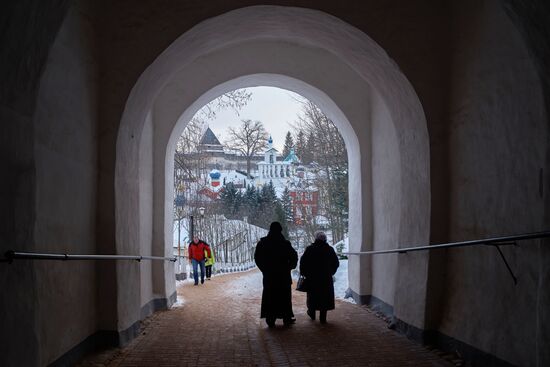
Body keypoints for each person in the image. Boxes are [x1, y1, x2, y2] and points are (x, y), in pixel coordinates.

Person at [254, 221, 298, 328]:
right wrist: (289, 267)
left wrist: (264, 269)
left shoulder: (263, 243)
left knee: (270, 296)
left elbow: (257, 258)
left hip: (269, 276)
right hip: (283, 276)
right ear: (280, 230)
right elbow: (294, 257)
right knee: (284, 297)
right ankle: (286, 317)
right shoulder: (285, 244)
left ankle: (270, 318)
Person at [299, 231, 339, 324]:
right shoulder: (329, 250)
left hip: (312, 278)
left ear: (316, 239)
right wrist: (330, 272)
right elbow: (336, 263)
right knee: (324, 297)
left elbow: (303, 263)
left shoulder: (310, 249)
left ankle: (311, 313)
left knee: (313, 296)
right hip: (326, 279)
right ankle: (323, 318)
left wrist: (305, 273)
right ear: (325, 239)